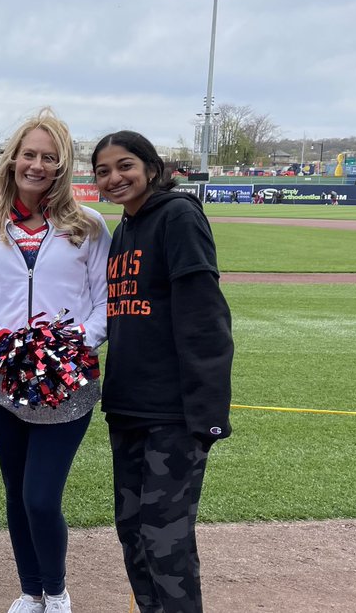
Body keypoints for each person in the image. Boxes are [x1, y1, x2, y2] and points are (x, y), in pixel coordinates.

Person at [0, 108, 109, 613]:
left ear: (62, 167)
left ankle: (57, 592)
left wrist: (77, 339)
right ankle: (30, 591)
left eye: (49, 157)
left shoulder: (88, 225)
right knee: (18, 494)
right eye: (29, 154)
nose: (37, 165)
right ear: (12, 159)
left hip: (66, 378)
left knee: (41, 496)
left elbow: (108, 301)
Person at [92, 131, 233, 613]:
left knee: (165, 539)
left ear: (151, 167)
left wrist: (208, 411)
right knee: (132, 532)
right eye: (104, 170)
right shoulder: (123, 230)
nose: (115, 177)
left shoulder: (177, 216)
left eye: (125, 165)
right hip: (128, 405)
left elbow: (204, 315)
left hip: (173, 412)